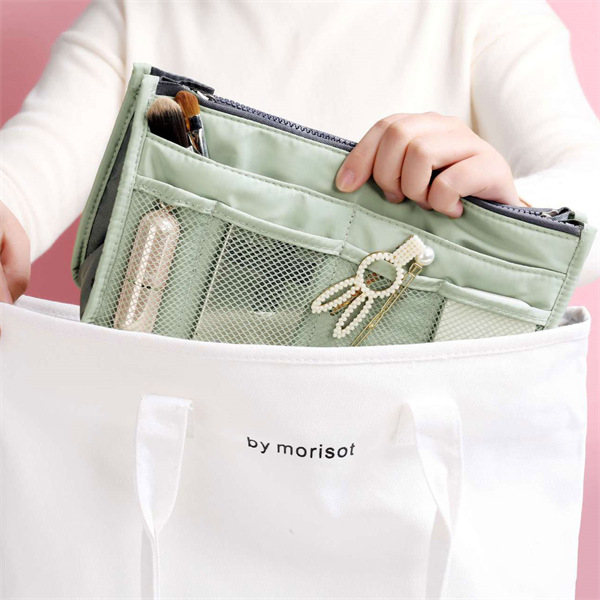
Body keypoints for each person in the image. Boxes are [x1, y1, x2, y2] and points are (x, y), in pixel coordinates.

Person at [1, 0, 598, 304]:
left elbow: (586, 184)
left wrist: (516, 211)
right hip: (178, 446)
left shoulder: (486, 13)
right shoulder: (135, 15)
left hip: (398, 447)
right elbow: (31, 167)